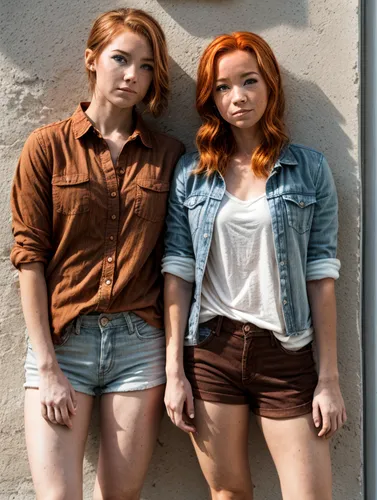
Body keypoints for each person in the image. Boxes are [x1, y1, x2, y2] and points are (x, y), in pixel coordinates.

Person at [163, 31, 346, 500]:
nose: (237, 97)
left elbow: (321, 277)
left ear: (271, 86)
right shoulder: (192, 174)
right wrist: (174, 373)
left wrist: (328, 380)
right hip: (212, 351)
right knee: (228, 493)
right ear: (210, 98)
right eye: (223, 87)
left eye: (249, 81)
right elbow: (178, 274)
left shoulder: (309, 169)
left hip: (285, 353)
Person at [10, 8, 184, 500]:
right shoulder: (46, 147)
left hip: (138, 345)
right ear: (91, 59)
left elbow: (175, 262)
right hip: (63, 343)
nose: (134, 75)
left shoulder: (168, 155)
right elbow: (29, 257)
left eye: (147, 65)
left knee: (119, 496)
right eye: (121, 59)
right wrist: (45, 365)